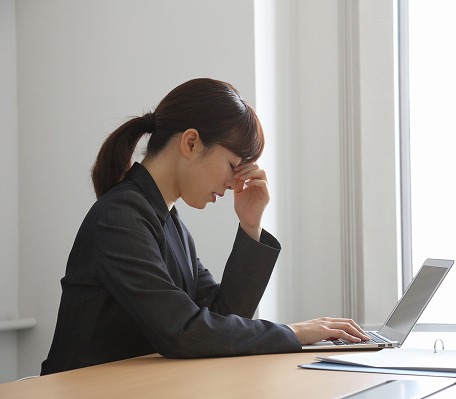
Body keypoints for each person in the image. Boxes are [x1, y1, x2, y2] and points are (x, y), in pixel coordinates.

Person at [40, 78, 368, 375]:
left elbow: (222, 317)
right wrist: (293, 333)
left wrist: (250, 225)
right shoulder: (121, 216)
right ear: (191, 142)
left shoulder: (169, 222)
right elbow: (182, 332)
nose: (232, 184)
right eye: (232, 166)